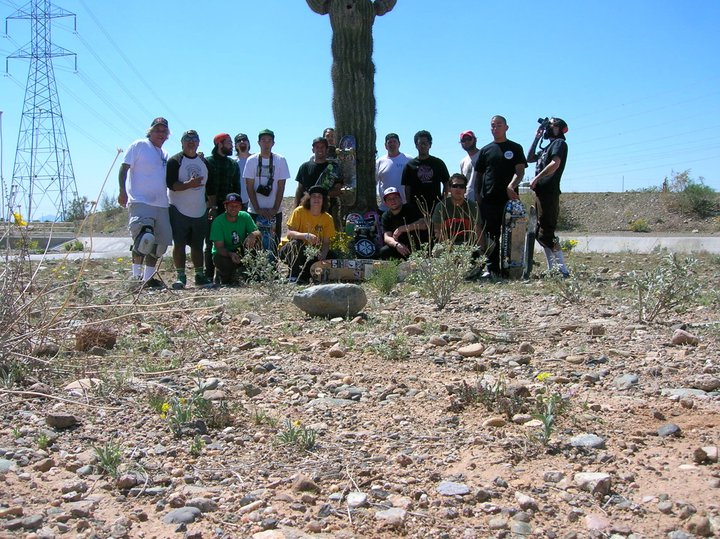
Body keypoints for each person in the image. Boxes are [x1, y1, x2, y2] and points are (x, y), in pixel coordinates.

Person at [118, 117, 172, 290]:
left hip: (162, 204)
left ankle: (148, 279)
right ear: (150, 131)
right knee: (144, 239)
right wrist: (122, 190)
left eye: (164, 131)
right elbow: (124, 168)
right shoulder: (139, 145)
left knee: (159, 246)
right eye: (157, 130)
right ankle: (135, 278)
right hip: (140, 201)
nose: (160, 134)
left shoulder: (165, 154)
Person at [474, 115, 527, 277]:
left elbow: (520, 171)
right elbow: (479, 176)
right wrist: (478, 196)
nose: (495, 128)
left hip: (510, 201)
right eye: (493, 125)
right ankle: (493, 269)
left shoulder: (515, 148)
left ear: (506, 127)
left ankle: (511, 268)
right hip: (489, 201)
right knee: (492, 236)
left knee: (511, 235)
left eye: (499, 125)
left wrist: (511, 185)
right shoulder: (485, 150)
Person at [166, 130, 215, 289]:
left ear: (199, 142)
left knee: (198, 245)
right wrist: (189, 184)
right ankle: (181, 276)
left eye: (194, 139)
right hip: (178, 209)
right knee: (179, 244)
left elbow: (210, 187)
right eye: (187, 139)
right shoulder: (175, 161)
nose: (191, 142)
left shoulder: (204, 162)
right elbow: (171, 184)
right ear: (182, 142)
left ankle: (199, 275)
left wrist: (212, 206)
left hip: (200, 210)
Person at [527, 117, 570, 277]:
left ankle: (562, 269)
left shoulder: (559, 144)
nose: (548, 127)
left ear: (558, 128)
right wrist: (536, 137)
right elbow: (529, 158)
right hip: (541, 192)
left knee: (547, 232)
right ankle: (552, 269)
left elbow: (555, 163)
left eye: (551, 125)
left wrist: (537, 178)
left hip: (549, 192)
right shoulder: (547, 147)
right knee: (540, 232)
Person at [244, 129, 290, 252]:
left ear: (273, 143)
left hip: (274, 211)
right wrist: (257, 209)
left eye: (269, 140)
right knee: (254, 245)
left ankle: (273, 264)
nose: (266, 143)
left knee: (273, 245)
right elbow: (249, 186)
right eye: (263, 140)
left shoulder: (280, 160)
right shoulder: (251, 160)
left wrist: (275, 209)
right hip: (254, 210)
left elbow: (281, 186)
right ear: (258, 142)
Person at [280, 185, 336, 283]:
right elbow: (289, 233)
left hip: (312, 251)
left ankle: (310, 275)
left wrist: (323, 254)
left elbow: (326, 242)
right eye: (314, 196)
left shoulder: (328, 218)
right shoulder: (299, 211)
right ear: (309, 199)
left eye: (319, 196)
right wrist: (305, 236)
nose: (316, 199)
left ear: (323, 200)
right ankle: (293, 276)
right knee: (296, 244)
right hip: (290, 250)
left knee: (332, 255)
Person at [205, 133, 241, 282]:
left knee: (229, 240)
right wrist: (210, 205)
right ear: (219, 144)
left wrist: (237, 207)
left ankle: (224, 274)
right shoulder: (208, 162)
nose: (232, 146)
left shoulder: (233, 164)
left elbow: (237, 187)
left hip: (229, 207)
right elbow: (206, 186)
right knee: (210, 241)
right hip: (212, 207)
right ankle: (208, 275)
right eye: (229, 143)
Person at [209, 193, 261, 285]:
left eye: (236, 206)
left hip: (240, 249)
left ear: (240, 207)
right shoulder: (218, 222)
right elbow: (219, 247)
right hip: (225, 253)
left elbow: (258, 232)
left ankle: (250, 274)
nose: (234, 208)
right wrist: (230, 254)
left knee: (257, 242)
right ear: (225, 206)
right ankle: (224, 275)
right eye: (231, 206)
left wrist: (253, 234)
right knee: (220, 260)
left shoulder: (245, 216)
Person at [401, 130, 449, 215]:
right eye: (420, 143)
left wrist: (443, 200)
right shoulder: (409, 166)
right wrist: (409, 205)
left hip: (436, 208)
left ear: (430, 145)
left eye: (425, 143)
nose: (423, 146)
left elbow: (446, 182)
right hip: (415, 208)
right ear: (416, 145)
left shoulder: (438, 163)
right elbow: (407, 188)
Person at [432, 173, 483, 246]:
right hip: (447, 245)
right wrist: (450, 249)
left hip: (468, 245)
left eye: (461, 186)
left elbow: (478, 231)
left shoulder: (473, 206)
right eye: (455, 186)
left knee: (489, 243)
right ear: (449, 189)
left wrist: (481, 250)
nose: (458, 189)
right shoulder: (441, 206)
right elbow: (438, 232)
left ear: (465, 190)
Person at [379, 187, 428, 260]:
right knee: (384, 252)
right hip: (401, 246)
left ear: (400, 199)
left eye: (395, 197)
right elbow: (387, 237)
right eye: (389, 199)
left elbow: (424, 224)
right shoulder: (385, 216)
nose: (393, 201)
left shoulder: (411, 208)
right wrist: (397, 245)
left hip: (417, 243)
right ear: (385, 203)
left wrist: (402, 229)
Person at [293, 137, 342, 208]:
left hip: (326, 209)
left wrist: (317, 194)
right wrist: (295, 207)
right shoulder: (304, 167)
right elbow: (299, 189)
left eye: (322, 147)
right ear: (313, 150)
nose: (320, 149)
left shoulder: (334, 168)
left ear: (327, 150)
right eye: (317, 147)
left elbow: (337, 191)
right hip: (306, 208)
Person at [375, 132, 410, 212]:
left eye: (394, 142)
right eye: (389, 142)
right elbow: (374, 183)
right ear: (385, 145)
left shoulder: (408, 160)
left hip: (405, 206)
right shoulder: (379, 162)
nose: (392, 144)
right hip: (385, 208)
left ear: (399, 144)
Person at [459, 130, 480, 202]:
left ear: (475, 139)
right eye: (463, 140)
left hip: (482, 199)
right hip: (467, 199)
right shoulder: (463, 162)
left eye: (469, 139)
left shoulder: (483, 155)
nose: (466, 142)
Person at [233, 133, 251, 210]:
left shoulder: (256, 160)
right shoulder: (232, 162)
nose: (242, 142)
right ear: (236, 145)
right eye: (239, 141)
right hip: (237, 203)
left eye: (244, 140)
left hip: (254, 203)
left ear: (248, 143)